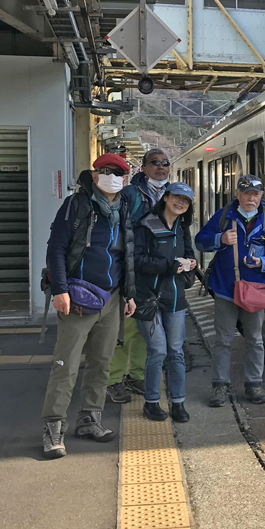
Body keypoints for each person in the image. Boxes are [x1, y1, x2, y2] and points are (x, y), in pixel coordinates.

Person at [40, 153, 137, 459]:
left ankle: (90, 419)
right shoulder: (77, 205)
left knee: (102, 362)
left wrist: (129, 293)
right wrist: (60, 289)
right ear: (94, 177)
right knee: (65, 365)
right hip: (78, 297)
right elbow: (56, 248)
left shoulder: (122, 208)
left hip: (111, 296)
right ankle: (53, 428)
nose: (113, 177)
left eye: (119, 173)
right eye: (106, 172)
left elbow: (125, 255)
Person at [195, 174, 265, 407]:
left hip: (255, 290)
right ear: (237, 195)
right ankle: (220, 386)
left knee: (255, 339)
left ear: (261, 196)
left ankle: (254, 384)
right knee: (223, 340)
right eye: (246, 193)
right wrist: (220, 239)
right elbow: (200, 241)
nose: (251, 198)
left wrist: (264, 263)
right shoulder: (224, 216)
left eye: (256, 194)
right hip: (226, 288)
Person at [106, 149, 173, 404]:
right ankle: (113, 379)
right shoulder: (131, 194)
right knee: (122, 329)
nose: (160, 167)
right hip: (129, 266)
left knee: (142, 327)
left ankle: (135, 374)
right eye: (154, 163)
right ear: (143, 168)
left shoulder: (171, 193)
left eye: (164, 163)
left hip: (153, 270)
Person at [134, 182, 197, 423]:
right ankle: (151, 402)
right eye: (177, 197)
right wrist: (167, 266)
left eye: (186, 200)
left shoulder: (182, 227)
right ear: (166, 197)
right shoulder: (146, 224)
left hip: (175, 298)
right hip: (148, 297)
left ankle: (178, 402)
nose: (181, 202)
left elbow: (190, 253)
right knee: (158, 350)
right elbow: (137, 260)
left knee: (176, 352)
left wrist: (190, 264)